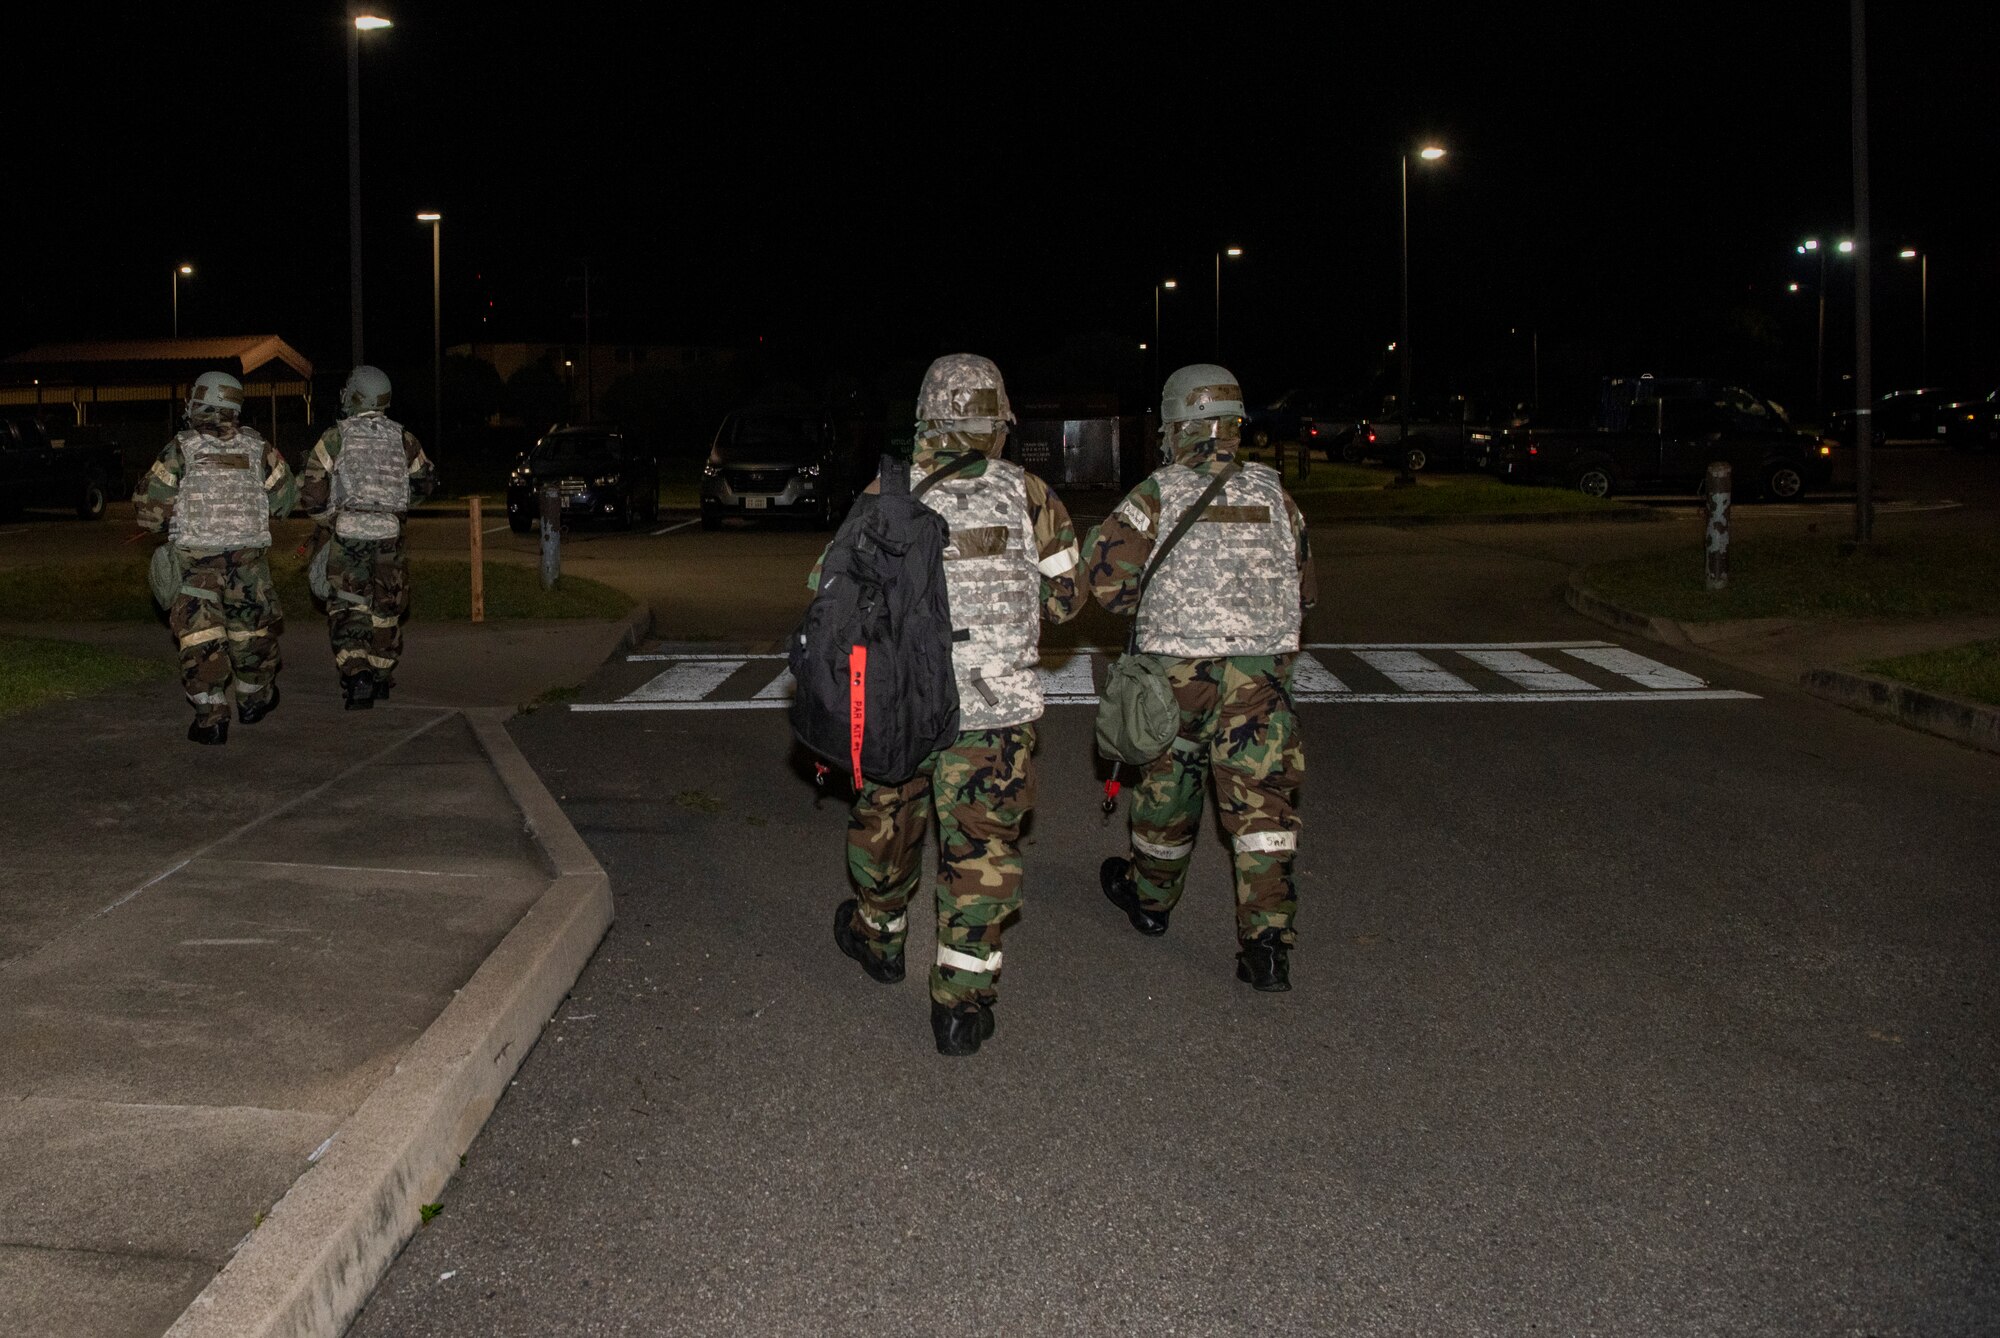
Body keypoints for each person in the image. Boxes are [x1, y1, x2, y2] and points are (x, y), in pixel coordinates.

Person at [818, 354, 1084, 1055]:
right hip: (995, 717)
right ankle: (961, 1009)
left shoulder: (887, 491)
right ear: (998, 423)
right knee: (982, 855)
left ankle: (879, 938)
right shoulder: (1032, 495)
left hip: (901, 705)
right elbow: (1066, 599)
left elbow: (825, 585)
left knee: (887, 822)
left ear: (926, 419)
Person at [1084, 363, 1316, 991]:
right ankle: (1267, 946)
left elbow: (1103, 586)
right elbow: (1305, 591)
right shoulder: (1277, 497)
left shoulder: (1155, 495)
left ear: (1176, 425)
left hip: (1178, 674)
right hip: (1261, 680)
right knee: (1262, 808)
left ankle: (1152, 904)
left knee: (1169, 785)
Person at [134, 371, 298, 744]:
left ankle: (211, 719)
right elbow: (287, 500)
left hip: (197, 567)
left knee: (200, 638)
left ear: (198, 401)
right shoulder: (259, 449)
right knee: (251, 632)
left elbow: (148, 512)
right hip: (249, 565)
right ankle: (254, 701)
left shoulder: (180, 449)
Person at [296, 366, 435, 709]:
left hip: (348, 535)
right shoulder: (404, 438)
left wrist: (327, 519)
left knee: (348, 605)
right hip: (390, 535)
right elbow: (425, 482)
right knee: (385, 608)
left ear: (354, 395)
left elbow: (311, 490)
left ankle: (357, 674)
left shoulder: (336, 437)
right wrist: (396, 511)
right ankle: (381, 675)